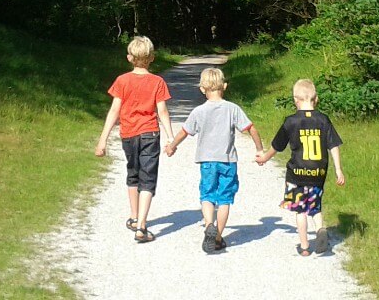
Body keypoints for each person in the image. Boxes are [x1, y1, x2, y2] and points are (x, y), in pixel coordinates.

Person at [164, 68, 262, 253]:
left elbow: (184, 132)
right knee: (225, 199)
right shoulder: (233, 108)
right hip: (227, 161)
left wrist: (172, 146)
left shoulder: (199, 111)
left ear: (202, 89)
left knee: (207, 195)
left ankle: (209, 224)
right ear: (224, 86)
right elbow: (252, 129)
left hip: (207, 162)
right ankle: (217, 238)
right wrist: (259, 150)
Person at [94, 36, 174, 243]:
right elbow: (162, 111)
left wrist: (102, 140)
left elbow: (114, 110)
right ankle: (141, 227)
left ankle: (134, 215)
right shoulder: (157, 82)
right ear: (152, 58)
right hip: (150, 134)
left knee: (133, 174)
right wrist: (171, 137)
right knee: (148, 178)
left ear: (129, 57)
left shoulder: (122, 81)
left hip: (128, 134)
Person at [255, 78, 346, 256]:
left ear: (295, 100)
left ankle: (304, 247)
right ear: (316, 99)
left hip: (296, 174)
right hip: (318, 173)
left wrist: (265, 157)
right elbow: (333, 145)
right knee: (315, 207)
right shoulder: (323, 120)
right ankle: (320, 229)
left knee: (300, 210)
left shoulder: (291, 121)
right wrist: (338, 169)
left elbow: (277, 145)